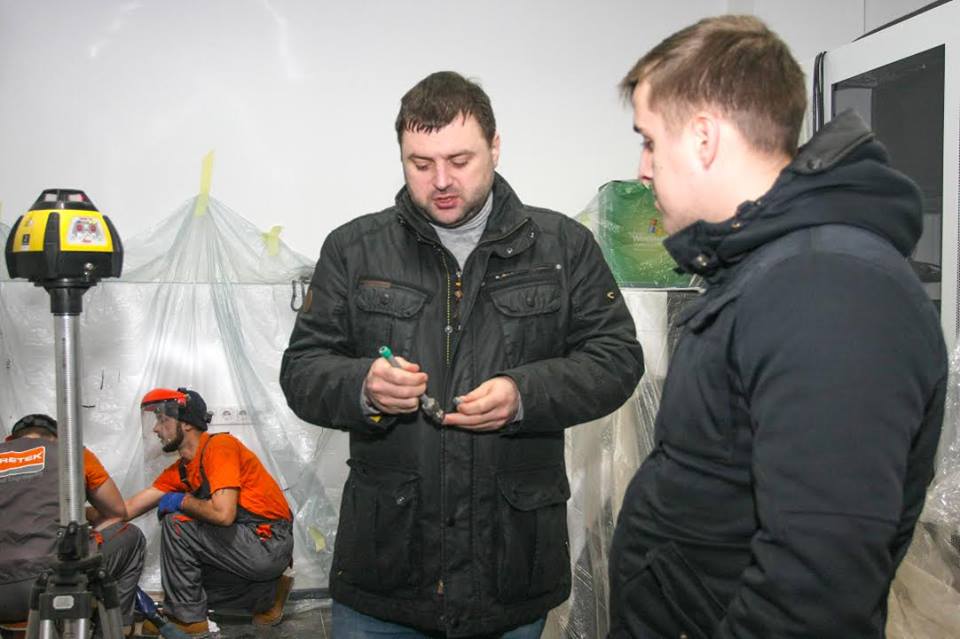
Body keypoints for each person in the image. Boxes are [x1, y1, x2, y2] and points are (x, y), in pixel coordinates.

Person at [608, 15, 948, 638]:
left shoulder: (829, 287)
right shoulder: (769, 268)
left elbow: (816, 591)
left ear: (703, 137)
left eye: (650, 141)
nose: (643, 169)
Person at [280, 70, 645, 638]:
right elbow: (302, 371)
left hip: (509, 569)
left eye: (459, 160)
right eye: (420, 164)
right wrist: (363, 386)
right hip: (385, 573)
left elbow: (617, 358)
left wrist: (524, 394)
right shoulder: (353, 250)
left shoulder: (563, 247)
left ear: (495, 148)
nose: (442, 181)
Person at [125, 387, 294, 636]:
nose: (156, 429)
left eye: (162, 419)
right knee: (190, 586)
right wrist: (81, 511)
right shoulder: (182, 469)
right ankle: (268, 595)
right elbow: (125, 510)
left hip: (268, 541)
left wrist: (182, 500)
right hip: (249, 545)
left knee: (176, 523)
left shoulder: (220, 446)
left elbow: (223, 515)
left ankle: (188, 620)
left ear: (186, 423)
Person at [0, 414, 146, 633]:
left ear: (11, 440)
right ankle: (117, 630)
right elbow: (117, 512)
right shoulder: (73, 454)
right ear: (57, 438)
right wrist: (83, 514)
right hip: (49, 582)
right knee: (131, 536)